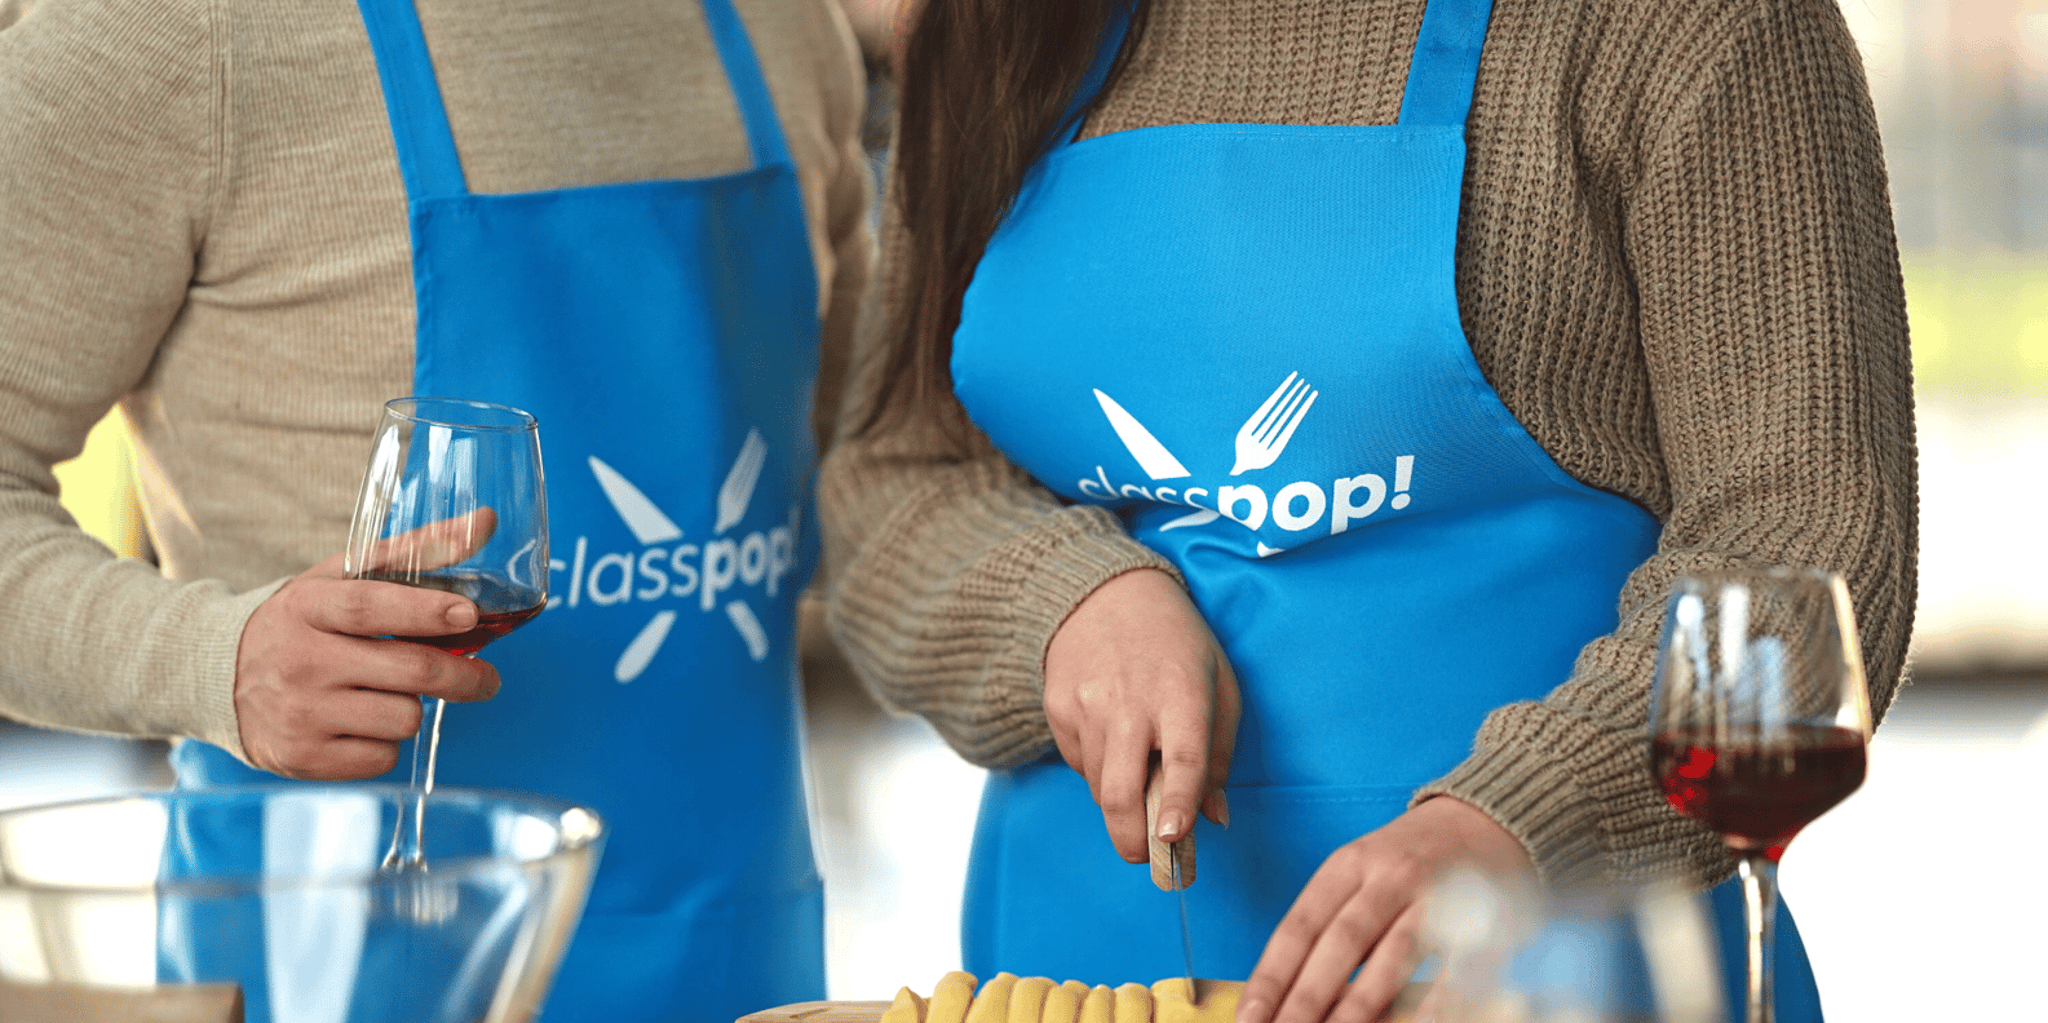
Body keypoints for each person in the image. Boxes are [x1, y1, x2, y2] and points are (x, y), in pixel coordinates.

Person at [821, 0, 1915, 1021]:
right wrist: (1064, 603)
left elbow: (1801, 541)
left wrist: (1523, 819)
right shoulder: (988, 26)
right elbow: (892, 475)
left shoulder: (1683, 26)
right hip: (1069, 968)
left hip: (1550, 963)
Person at [0, 0, 871, 1020]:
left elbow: (875, 470)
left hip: (728, 954)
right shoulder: (182, 36)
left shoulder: (782, 28)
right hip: (338, 958)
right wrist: (211, 660)